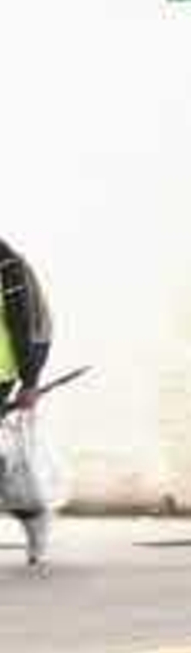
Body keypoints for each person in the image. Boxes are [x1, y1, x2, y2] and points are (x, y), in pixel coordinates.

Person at [0, 237, 53, 565]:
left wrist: (31, 381)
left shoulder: (8, 265)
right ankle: (30, 510)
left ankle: (31, 510)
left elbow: (30, 324)